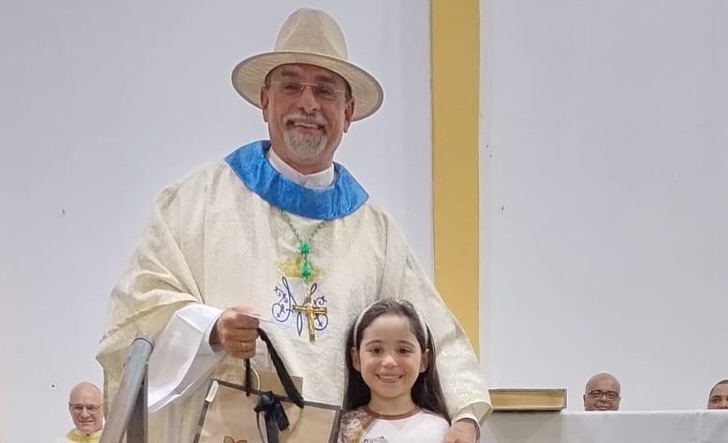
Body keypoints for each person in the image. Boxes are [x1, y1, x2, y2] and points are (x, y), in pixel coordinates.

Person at [95, 7, 490, 443]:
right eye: (291, 85)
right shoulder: (196, 202)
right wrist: (211, 329)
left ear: (348, 112)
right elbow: (136, 313)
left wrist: (465, 417)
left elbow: (436, 334)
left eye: (325, 90)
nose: (308, 103)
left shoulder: (375, 234)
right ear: (264, 101)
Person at [339, 299, 450, 442]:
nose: (389, 362)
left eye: (403, 350)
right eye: (376, 350)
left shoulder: (441, 430)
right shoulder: (342, 430)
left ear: (424, 360)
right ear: (356, 359)